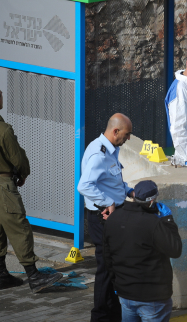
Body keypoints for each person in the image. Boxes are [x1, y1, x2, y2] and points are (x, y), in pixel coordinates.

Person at [0, 83, 63, 293]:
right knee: (18, 226)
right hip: (2, 183)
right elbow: (18, 158)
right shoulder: (2, 129)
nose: (2, 97)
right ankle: (33, 276)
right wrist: (22, 174)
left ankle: (1, 275)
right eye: (1, 95)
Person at [78, 113, 135, 322]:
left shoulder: (112, 149)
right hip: (102, 218)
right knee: (106, 268)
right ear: (115, 131)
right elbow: (84, 186)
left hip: (114, 214)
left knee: (114, 267)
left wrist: (129, 191)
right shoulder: (99, 154)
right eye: (126, 135)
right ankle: (100, 316)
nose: (128, 139)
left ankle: (113, 313)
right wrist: (107, 202)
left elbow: (111, 180)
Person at [103, 180, 182, 322]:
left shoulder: (113, 218)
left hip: (125, 294)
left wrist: (118, 284)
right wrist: (168, 221)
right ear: (152, 201)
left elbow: (108, 257)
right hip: (152, 298)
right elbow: (175, 249)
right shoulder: (154, 223)